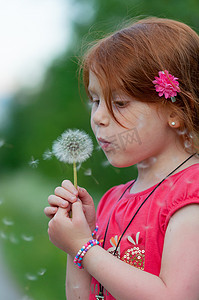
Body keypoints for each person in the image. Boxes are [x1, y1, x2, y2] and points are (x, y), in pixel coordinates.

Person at [44, 17, 199, 300]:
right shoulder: (111, 200)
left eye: (120, 103)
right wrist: (81, 236)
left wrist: (83, 248)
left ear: (175, 112)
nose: (99, 117)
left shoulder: (190, 194)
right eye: (95, 100)